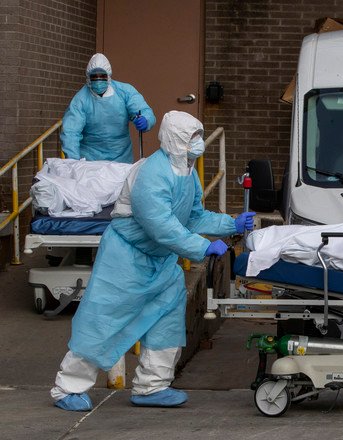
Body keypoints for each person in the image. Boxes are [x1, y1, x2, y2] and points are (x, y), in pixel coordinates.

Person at [50, 111, 256, 411]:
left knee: (167, 322)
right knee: (103, 321)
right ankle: (67, 388)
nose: (198, 143)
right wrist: (202, 246)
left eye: (199, 136)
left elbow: (193, 216)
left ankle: (152, 386)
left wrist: (230, 224)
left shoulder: (188, 172)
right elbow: (160, 225)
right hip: (126, 258)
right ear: (176, 139)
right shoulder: (152, 173)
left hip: (161, 261)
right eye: (192, 138)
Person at [61, 53, 156, 163]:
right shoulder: (80, 100)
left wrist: (146, 120)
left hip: (121, 157)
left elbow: (143, 110)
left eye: (102, 76)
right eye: (94, 77)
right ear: (88, 78)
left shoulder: (125, 92)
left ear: (108, 76)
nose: (98, 80)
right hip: (90, 160)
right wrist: (73, 162)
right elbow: (70, 133)